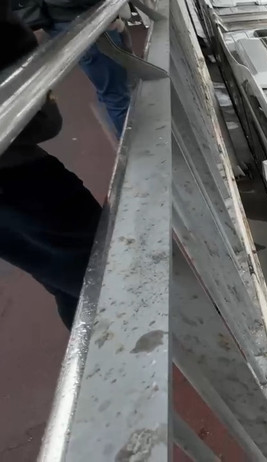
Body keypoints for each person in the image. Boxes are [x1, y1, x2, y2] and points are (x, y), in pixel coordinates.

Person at [1, 0, 102, 329]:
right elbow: (40, 122)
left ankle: (92, 353)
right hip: (17, 177)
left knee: (56, 272)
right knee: (99, 266)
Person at [14, 0, 132, 138]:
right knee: (115, 92)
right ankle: (132, 142)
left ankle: (119, 128)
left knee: (108, 86)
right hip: (86, 18)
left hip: (64, 19)